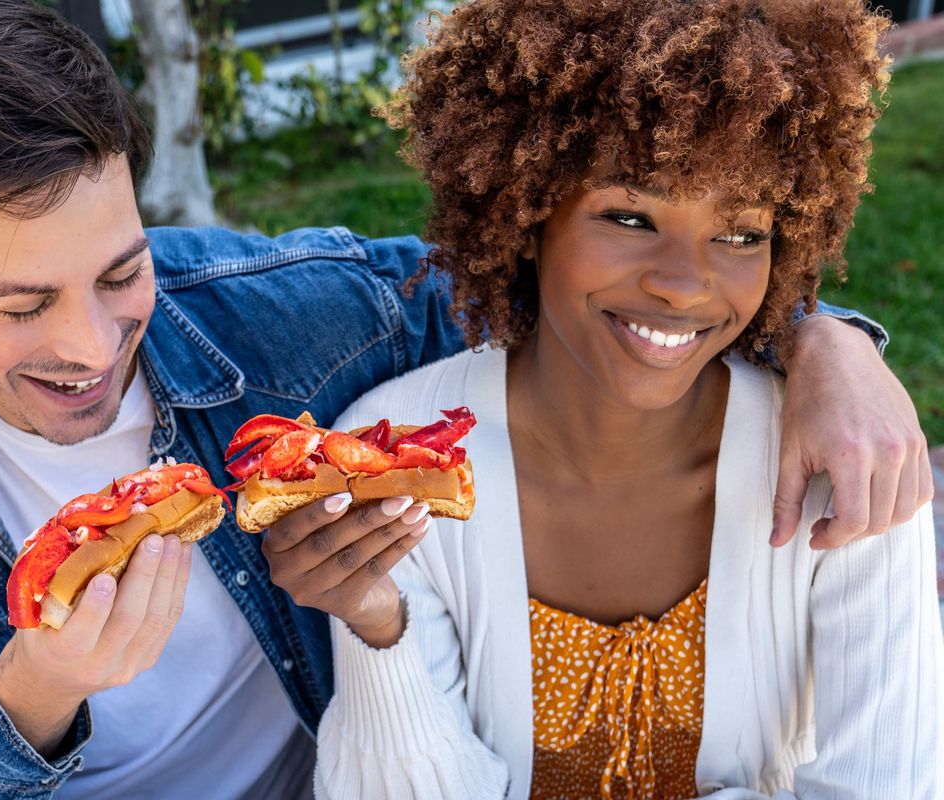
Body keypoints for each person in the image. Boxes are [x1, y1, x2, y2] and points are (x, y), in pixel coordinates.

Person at [0, 0, 930, 798]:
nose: (92, 345)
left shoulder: (298, 315)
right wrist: (34, 691)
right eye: (21, 305)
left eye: (121, 272)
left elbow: (572, 290)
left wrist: (825, 336)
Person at [264, 1, 944, 798]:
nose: (684, 284)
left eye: (741, 234)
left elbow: (889, 784)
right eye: (629, 216)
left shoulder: (847, 462)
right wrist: (379, 627)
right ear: (526, 210)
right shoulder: (399, 461)